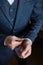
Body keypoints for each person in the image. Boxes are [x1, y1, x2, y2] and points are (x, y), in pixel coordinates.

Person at [0, 0, 43, 65]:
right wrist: (4, 39)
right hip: (1, 47)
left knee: (22, 62)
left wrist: (29, 39)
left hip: (24, 43)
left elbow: (38, 18)